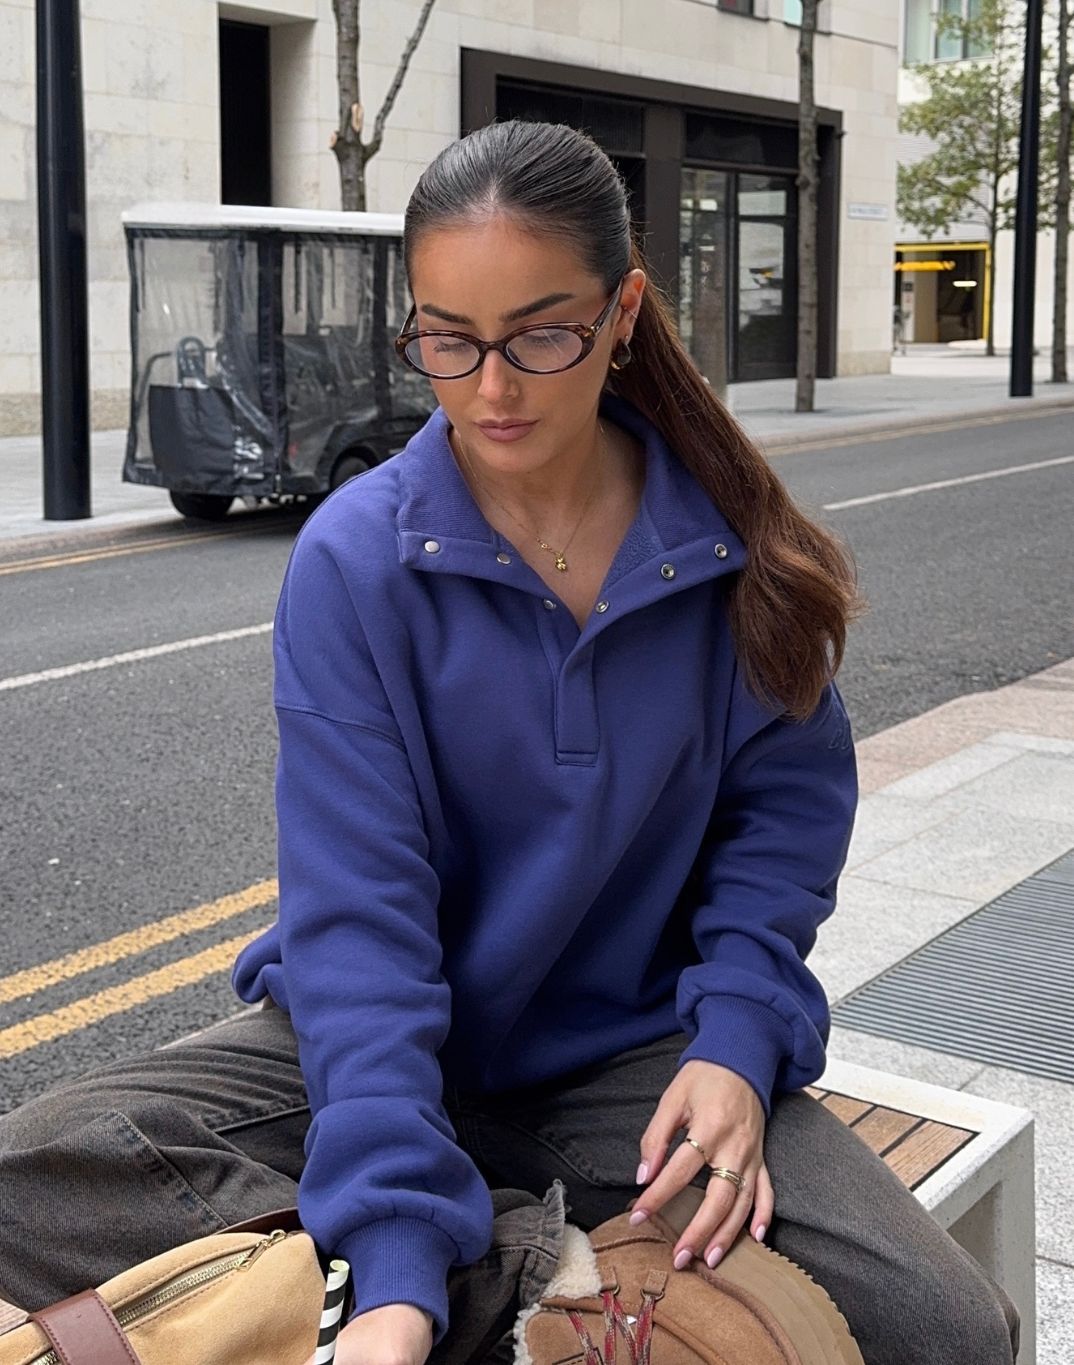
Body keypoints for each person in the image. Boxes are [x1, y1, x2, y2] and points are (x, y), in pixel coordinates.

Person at [0, 120, 1019, 1365]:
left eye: (541, 335)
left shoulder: (729, 545)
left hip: (629, 1059)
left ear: (623, 312)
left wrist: (739, 1042)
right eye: (447, 339)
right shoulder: (355, 562)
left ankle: (450, 1238)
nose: (491, 388)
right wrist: (393, 1271)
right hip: (362, 1050)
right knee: (22, 1179)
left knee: (948, 1326)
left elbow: (785, 822)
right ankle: (516, 1265)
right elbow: (360, 921)